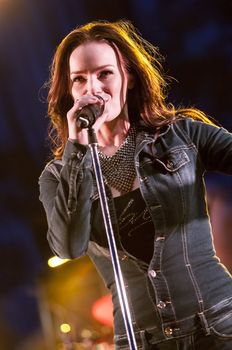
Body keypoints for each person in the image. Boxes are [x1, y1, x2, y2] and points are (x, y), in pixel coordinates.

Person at [39, 20, 232, 349]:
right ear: (69, 92)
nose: (92, 89)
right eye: (79, 80)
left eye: (104, 73)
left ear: (127, 76)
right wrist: (78, 149)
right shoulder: (58, 175)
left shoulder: (181, 136)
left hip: (217, 325)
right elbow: (68, 247)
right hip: (141, 341)